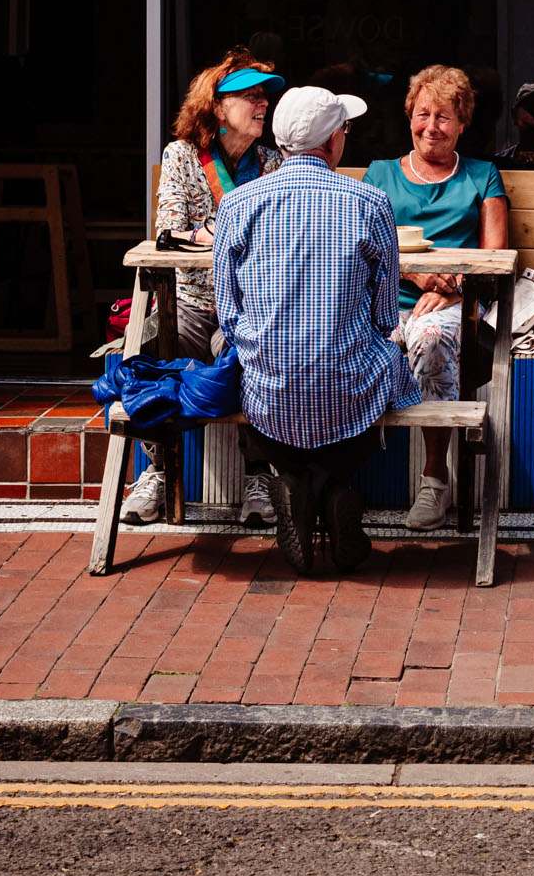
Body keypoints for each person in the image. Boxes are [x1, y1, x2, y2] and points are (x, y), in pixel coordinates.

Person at [213, 85, 419, 579]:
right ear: (330, 143)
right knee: (391, 357)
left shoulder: (238, 205)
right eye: (344, 128)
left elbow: (227, 314)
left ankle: (296, 481)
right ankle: (331, 484)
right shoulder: (369, 201)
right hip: (346, 389)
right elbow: (385, 316)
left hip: (269, 394)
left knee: (240, 356)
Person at [125, 48, 283, 528]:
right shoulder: (182, 156)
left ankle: (258, 476)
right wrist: (230, 237)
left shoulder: (273, 162)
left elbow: (276, 243)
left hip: (250, 308)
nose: (262, 105)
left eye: (264, 98)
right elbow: (168, 231)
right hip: (190, 304)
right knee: (149, 347)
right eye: (249, 97)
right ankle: (155, 470)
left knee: (263, 354)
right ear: (217, 107)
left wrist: (210, 236)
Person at [365, 65, 509, 530]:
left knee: (428, 336)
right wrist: (421, 276)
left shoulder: (483, 176)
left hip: (458, 306)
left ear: (463, 123)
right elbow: (360, 248)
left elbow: (496, 260)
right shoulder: (381, 174)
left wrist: (455, 293)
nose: (431, 126)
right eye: (422, 114)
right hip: (388, 298)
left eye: (444, 117)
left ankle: (434, 480)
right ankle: (337, 472)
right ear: (409, 116)